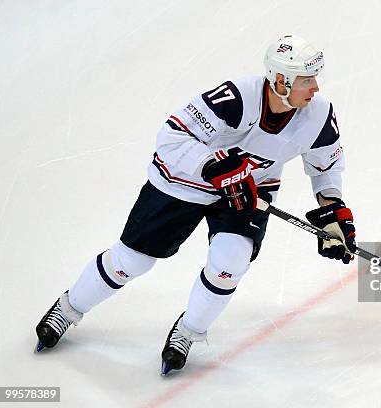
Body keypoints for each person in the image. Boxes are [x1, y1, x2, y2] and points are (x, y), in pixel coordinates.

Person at [35, 34, 357, 375]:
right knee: (130, 262)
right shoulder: (236, 97)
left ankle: (189, 332)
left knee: (229, 262)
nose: (316, 88)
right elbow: (171, 136)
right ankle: (68, 309)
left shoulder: (318, 115)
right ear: (280, 81)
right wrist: (213, 165)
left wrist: (332, 210)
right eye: (307, 80)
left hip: (247, 191)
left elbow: (327, 166)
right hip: (183, 184)